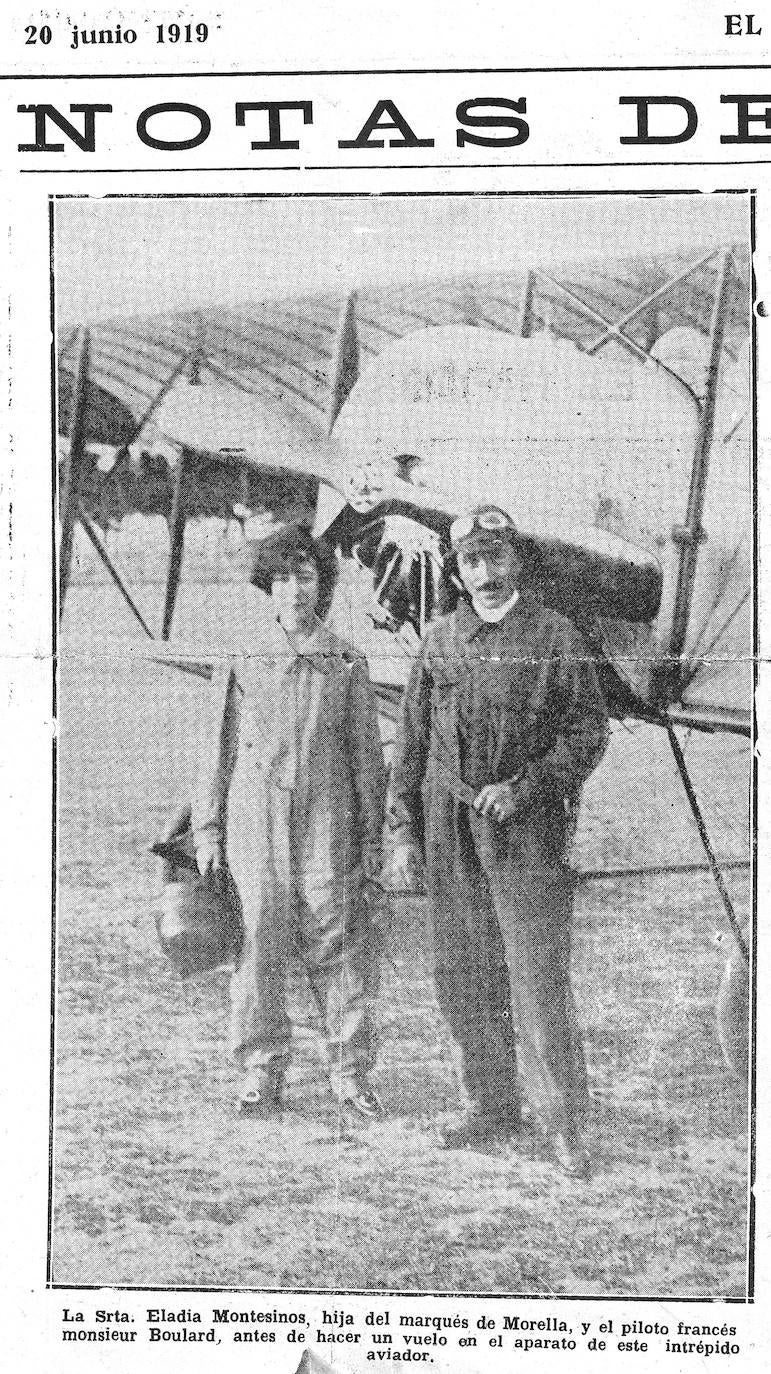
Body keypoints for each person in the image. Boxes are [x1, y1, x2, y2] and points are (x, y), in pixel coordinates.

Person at [385, 505, 609, 1177]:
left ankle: (562, 1125)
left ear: (516, 561)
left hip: (525, 833)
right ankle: (489, 1106)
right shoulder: (440, 639)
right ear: (457, 569)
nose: (484, 571)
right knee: (461, 972)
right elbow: (412, 744)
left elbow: (586, 731)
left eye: (495, 556)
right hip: (449, 826)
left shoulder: (554, 636)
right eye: (471, 560)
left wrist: (526, 786)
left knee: (536, 979)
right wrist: (402, 833)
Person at [192, 522, 386, 1121]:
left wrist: (373, 840)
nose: (295, 590)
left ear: (322, 585)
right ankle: (260, 1066)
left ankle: (349, 1073)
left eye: (306, 577)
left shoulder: (345, 662)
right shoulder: (244, 657)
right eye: (283, 579)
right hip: (256, 817)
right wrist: (207, 830)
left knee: (341, 940)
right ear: (267, 587)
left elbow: (366, 758)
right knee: (260, 939)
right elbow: (217, 746)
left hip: (329, 816)